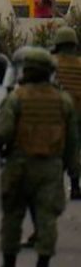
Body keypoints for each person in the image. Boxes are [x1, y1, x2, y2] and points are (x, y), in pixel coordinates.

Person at [0, 47, 79, 267]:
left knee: (13, 216)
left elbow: (2, 132)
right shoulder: (63, 101)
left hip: (19, 165)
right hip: (50, 167)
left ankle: (9, 260)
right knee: (46, 218)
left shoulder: (16, 98)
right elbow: (72, 141)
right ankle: (43, 260)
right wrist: (73, 170)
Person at [51, 26, 81, 200]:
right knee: (74, 150)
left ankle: (54, 188)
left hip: (58, 112)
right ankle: (75, 185)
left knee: (55, 151)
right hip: (78, 113)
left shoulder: (51, 63)